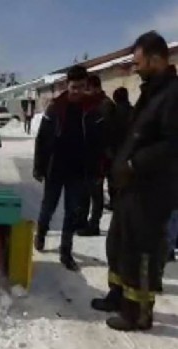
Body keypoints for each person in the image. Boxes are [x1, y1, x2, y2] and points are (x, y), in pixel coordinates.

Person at [90, 31, 178, 331]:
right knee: (119, 243)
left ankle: (138, 312)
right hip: (131, 188)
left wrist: (133, 163)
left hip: (152, 190)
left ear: (156, 59)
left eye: (138, 62)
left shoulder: (173, 94)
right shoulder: (152, 92)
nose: (134, 68)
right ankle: (118, 296)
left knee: (142, 250)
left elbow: (171, 145)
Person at [33, 65, 104, 271]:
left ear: (86, 86)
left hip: (78, 170)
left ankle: (66, 251)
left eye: (81, 87)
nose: (77, 91)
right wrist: (39, 166)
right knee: (48, 206)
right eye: (74, 87)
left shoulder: (92, 109)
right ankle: (41, 233)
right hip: (55, 168)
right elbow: (42, 139)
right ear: (67, 85)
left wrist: (97, 170)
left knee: (72, 212)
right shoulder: (55, 107)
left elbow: (98, 142)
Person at [77, 75, 115, 236]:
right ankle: (81, 221)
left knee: (96, 193)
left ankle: (94, 225)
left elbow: (106, 134)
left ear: (96, 88)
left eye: (87, 88)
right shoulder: (89, 104)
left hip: (99, 157)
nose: (85, 92)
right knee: (84, 191)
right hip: (86, 155)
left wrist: (105, 158)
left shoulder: (105, 105)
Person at [104, 87, 134, 210]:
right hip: (131, 152)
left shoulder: (113, 114)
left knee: (114, 181)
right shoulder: (135, 111)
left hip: (116, 153)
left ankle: (115, 203)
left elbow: (109, 133)